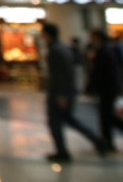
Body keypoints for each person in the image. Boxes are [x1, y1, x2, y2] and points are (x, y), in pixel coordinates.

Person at [41, 22, 105, 162]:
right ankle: (96, 140)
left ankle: (62, 151)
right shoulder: (62, 48)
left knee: (55, 122)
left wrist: (62, 94)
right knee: (69, 120)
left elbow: (62, 74)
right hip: (65, 91)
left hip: (60, 92)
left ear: (47, 34)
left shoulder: (56, 50)